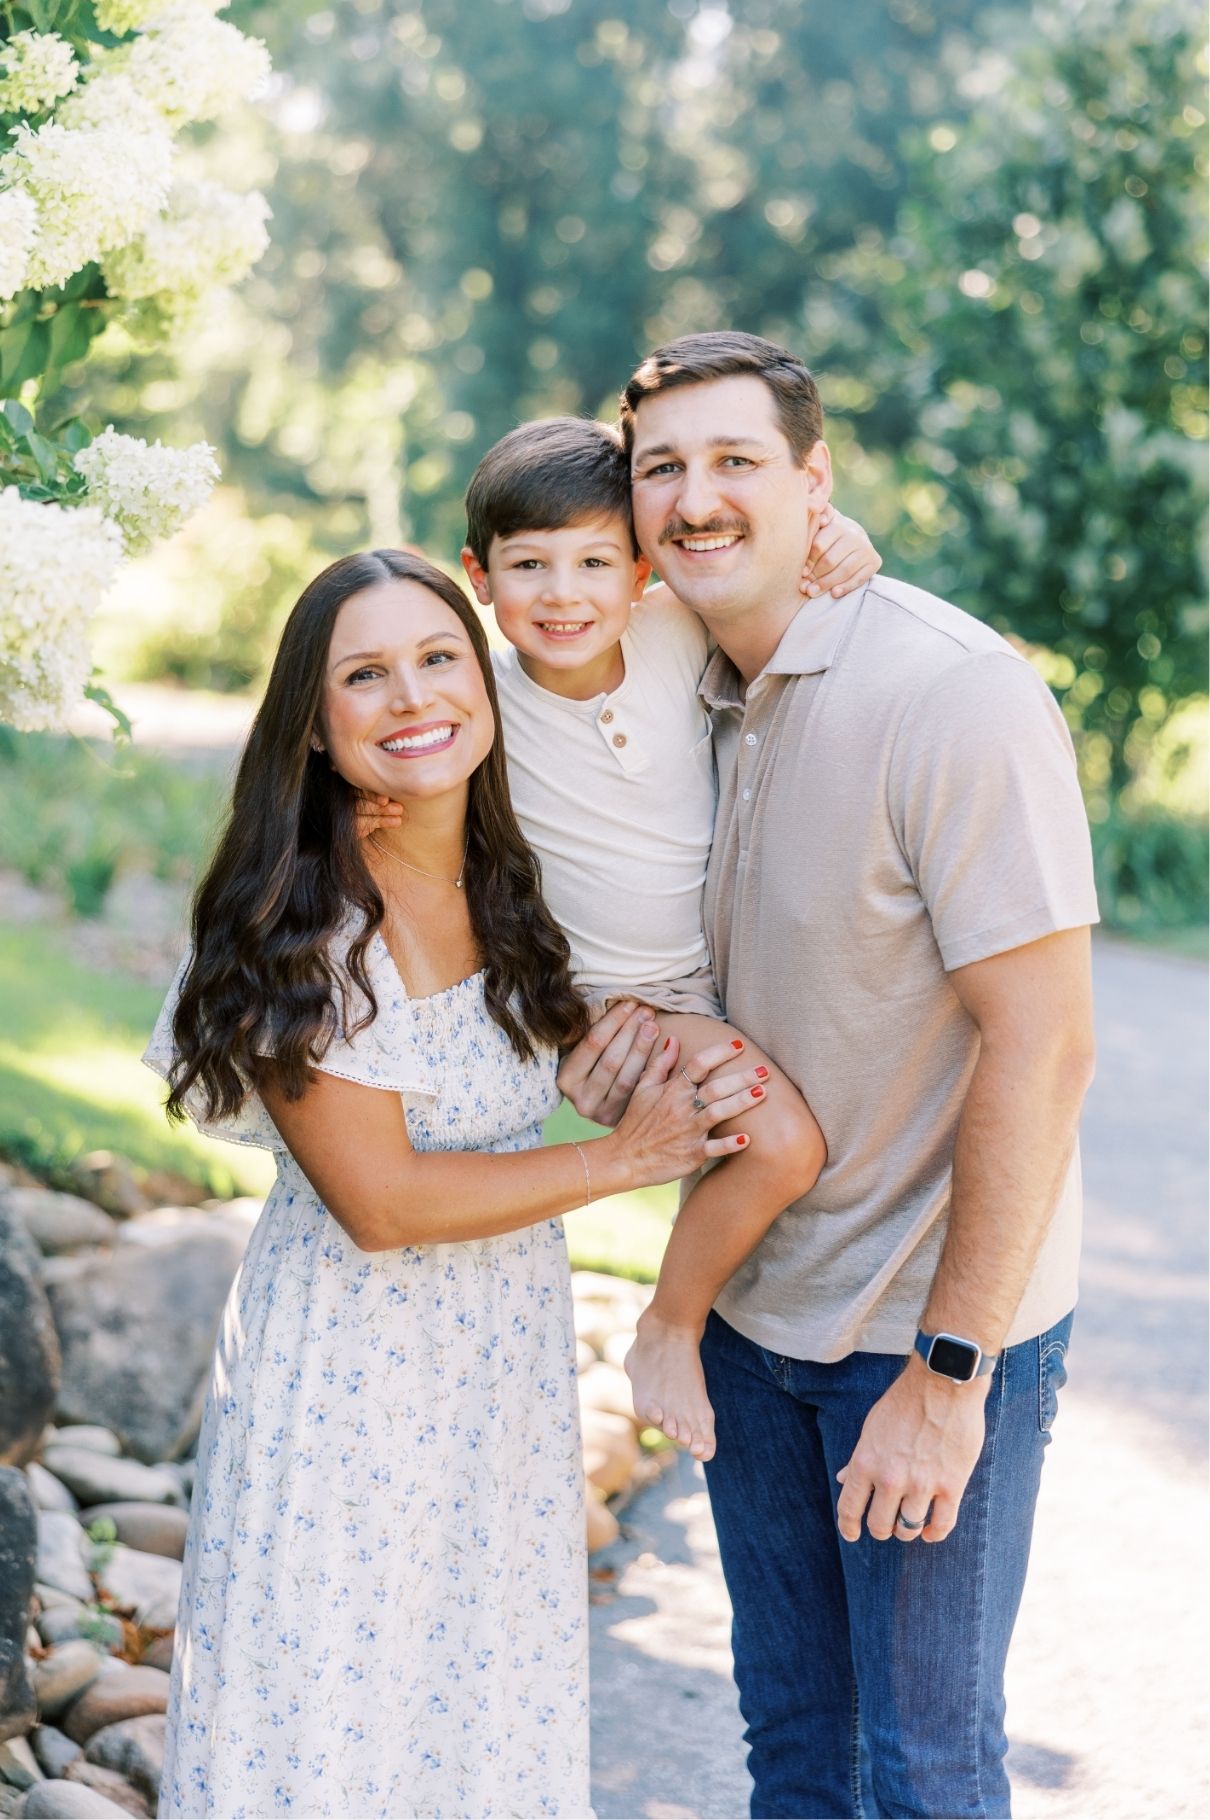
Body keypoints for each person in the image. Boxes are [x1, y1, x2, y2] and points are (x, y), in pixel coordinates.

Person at [142, 547, 766, 1819]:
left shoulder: (509, 877)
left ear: (484, 682)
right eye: (364, 674)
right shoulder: (301, 920)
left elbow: (631, 595)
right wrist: (622, 1159)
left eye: (438, 657)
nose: (413, 694)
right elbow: (382, 1203)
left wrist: (827, 549)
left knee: (476, 1712)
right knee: (332, 1725)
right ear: (312, 725)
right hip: (347, 1382)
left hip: (495, 1371)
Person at [568, 330, 1100, 1819]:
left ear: (815, 483)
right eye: (662, 468)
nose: (695, 498)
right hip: (752, 1320)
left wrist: (949, 1373)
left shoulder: (950, 694)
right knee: (799, 1758)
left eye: (736, 460)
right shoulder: (675, 679)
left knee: (923, 1771)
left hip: (920, 1331)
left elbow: (1047, 1041)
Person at [360, 416, 883, 1461]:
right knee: (783, 1144)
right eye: (528, 566)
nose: (563, 594)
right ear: (479, 575)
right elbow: (396, 767)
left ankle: (744, 1327)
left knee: (776, 1136)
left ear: (643, 569)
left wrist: (841, 536)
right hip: (619, 1000)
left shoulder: (675, 630)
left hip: (715, 971)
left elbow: (783, 565)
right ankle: (670, 1326)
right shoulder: (481, 704)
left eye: (595, 562)